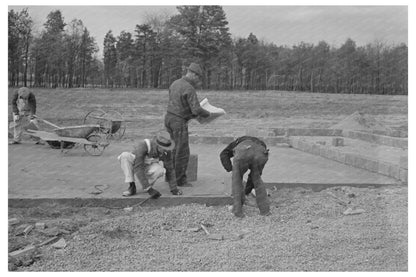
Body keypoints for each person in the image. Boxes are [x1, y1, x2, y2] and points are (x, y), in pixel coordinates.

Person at [164, 62, 210, 187]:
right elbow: (196, 109)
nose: (198, 80)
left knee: (172, 149)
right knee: (182, 151)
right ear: (193, 74)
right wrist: (209, 114)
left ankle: (169, 177)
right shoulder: (189, 88)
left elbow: (178, 103)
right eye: (198, 77)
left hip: (168, 118)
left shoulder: (175, 83)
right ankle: (180, 180)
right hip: (179, 122)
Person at [117, 131, 183, 198]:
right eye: (164, 149)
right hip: (135, 163)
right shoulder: (142, 145)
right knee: (124, 156)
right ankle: (132, 186)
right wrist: (149, 189)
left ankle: (147, 185)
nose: (166, 151)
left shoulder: (166, 151)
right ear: (158, 146)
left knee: (161, 170)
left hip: (148, 164)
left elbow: (170, 169)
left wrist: (174, 188)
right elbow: (138, 167)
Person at [220, 136, 270, 217]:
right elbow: (252, 178)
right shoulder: (261, 143)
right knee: (257, 180)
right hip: (261, 154)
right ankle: (265, 211)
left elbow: (223, 154)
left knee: (237, 181)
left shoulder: (235, 143)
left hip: (243, 153)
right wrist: (247, 190)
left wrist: (231, 169)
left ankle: (237, 211)